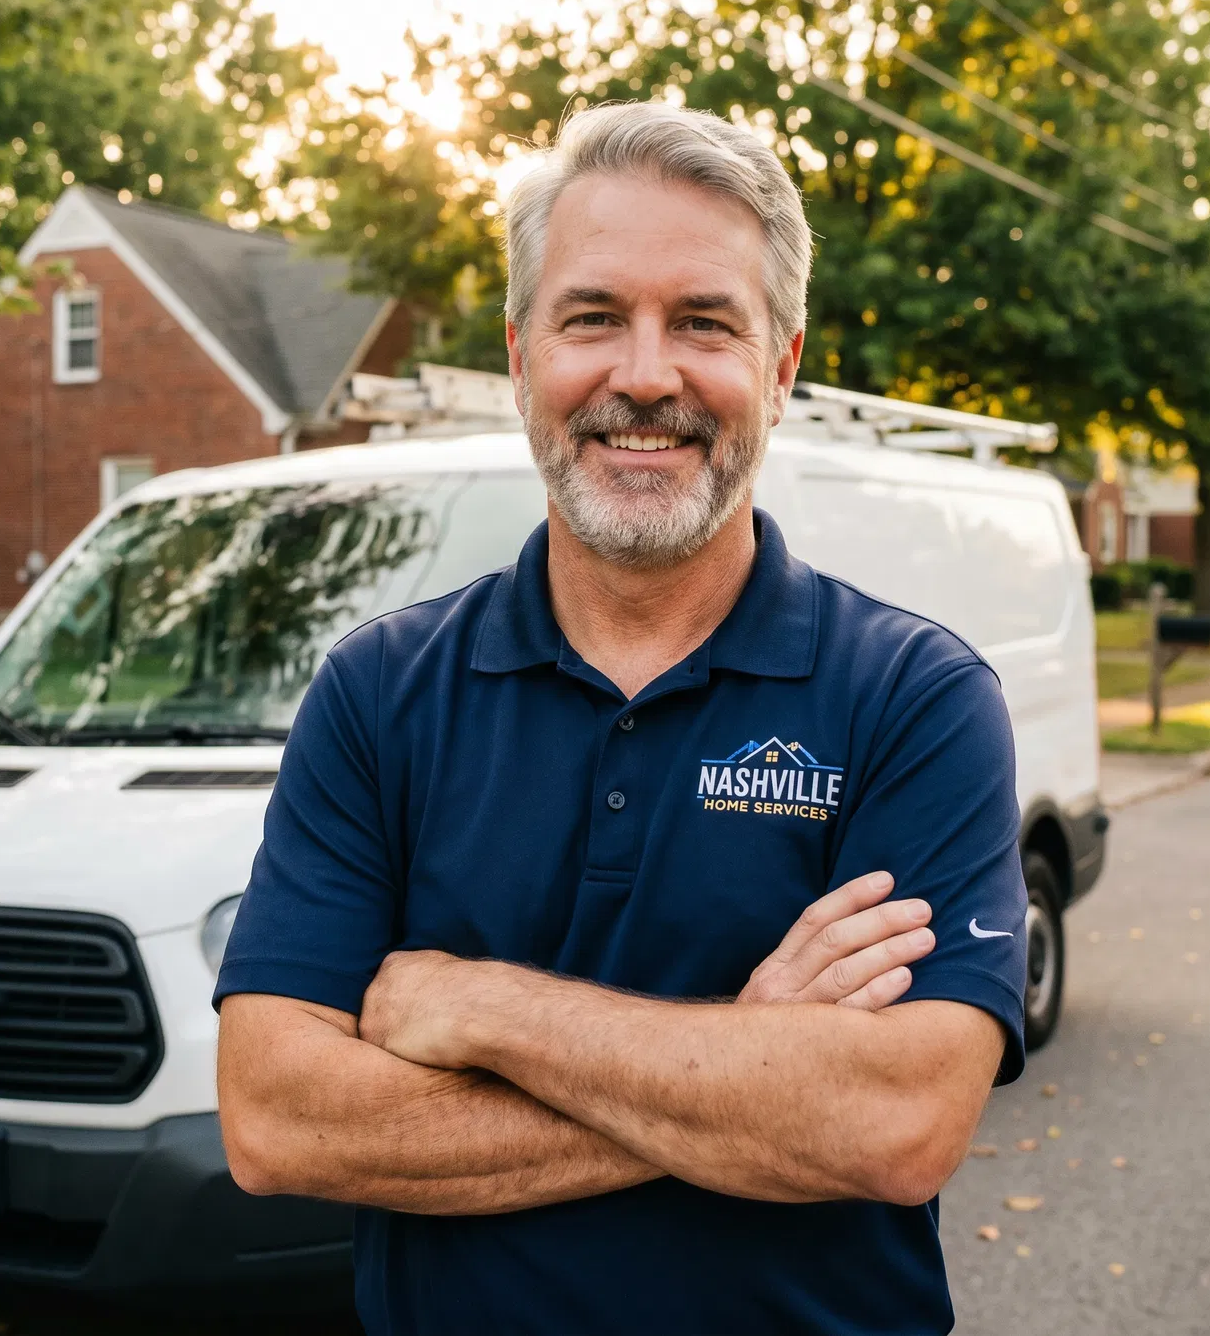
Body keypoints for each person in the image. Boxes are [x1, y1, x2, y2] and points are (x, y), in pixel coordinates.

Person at [213, 101, 1026, 1335]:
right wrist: (747, 1069)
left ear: (782, 367)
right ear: (523, 356)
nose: (646, 377)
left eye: (704, 322)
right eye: (594, 318)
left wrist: (482, 1011)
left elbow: (895, 1125)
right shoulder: (379, 692)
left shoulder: (915, 697)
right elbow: (278, 1120)